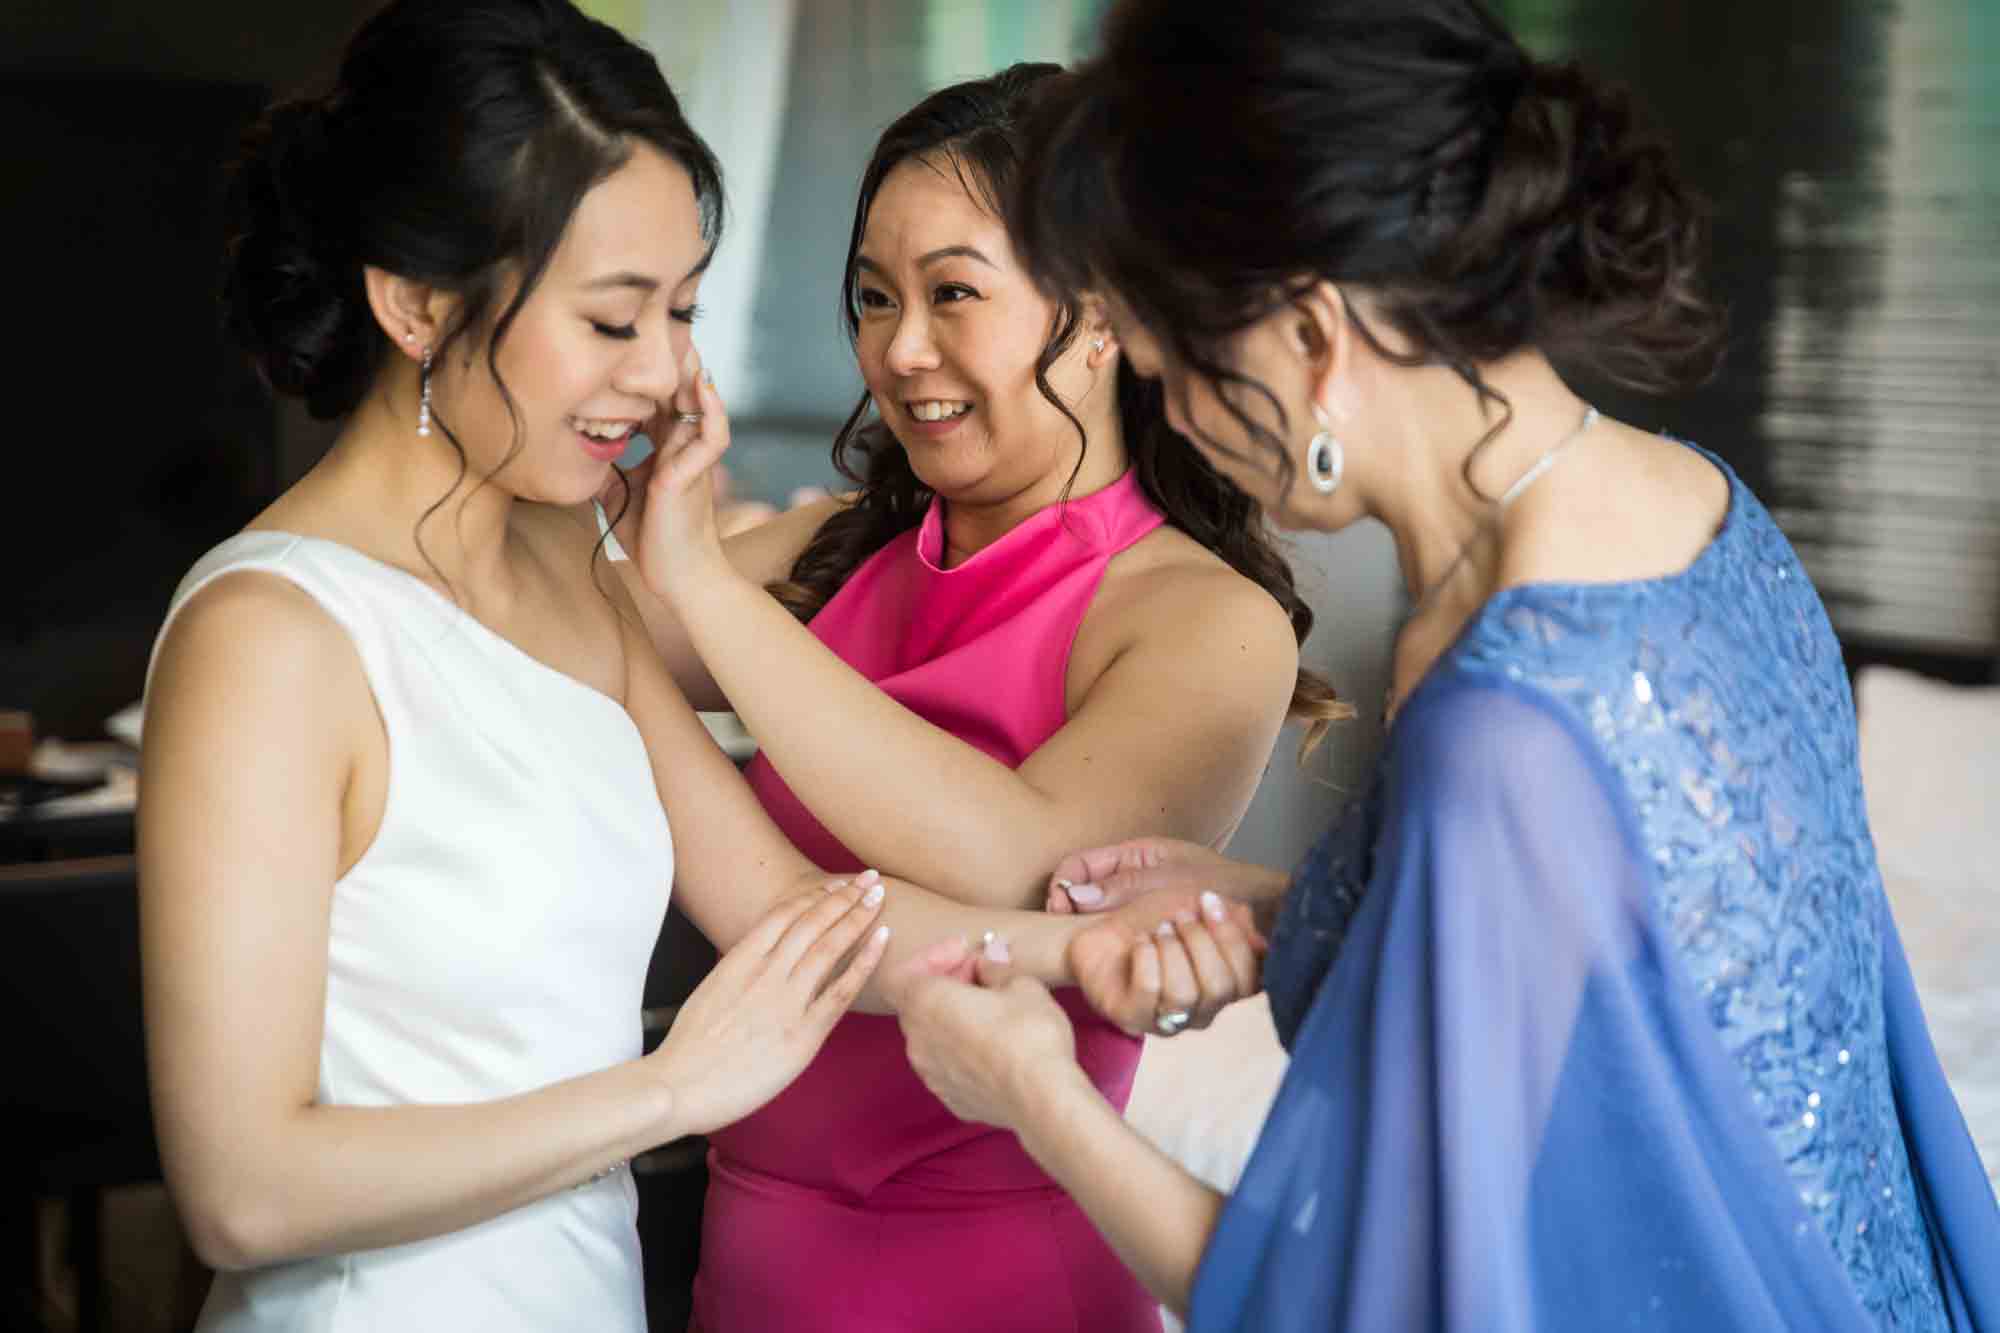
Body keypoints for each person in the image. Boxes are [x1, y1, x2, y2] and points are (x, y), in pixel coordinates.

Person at [894, 2, 2000, 1330]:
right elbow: (1628, 953)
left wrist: (1033, 1092)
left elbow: (1361, 1304)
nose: (1171, 414)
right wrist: (1286, 908)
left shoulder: (1505, 723)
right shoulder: (1702, 507)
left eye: (1165, 366)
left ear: (1308, 338)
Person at [140, 6, 1203, 1329]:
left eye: (683, 312)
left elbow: (798, 916)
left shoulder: (565, 574)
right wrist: (669, 1091)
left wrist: (1086, 951)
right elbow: (244, 1189)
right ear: (416, 302)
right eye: (612, 321)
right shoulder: (269, 635)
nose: (664, 376)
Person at [609, 62, 1338, 1332]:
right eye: (873, 298)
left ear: (1103, 310)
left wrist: (699, 586)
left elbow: (1019, 862)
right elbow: (571, 645)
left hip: (1004, 1283)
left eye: (952, 294)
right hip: (747, 1261)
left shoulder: (1203, 618)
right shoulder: (840, 548)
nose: (899, 351)